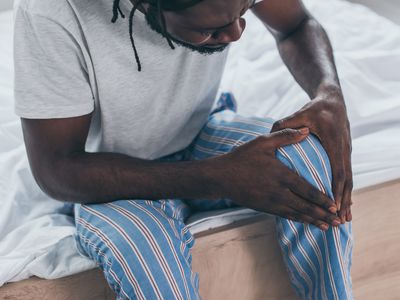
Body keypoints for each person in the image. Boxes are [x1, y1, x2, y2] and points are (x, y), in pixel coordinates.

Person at [14, 0, 353, 298]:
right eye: (211, 30)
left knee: (309, 159)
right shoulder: (50, 11)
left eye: (245, 10)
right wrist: (216, 178)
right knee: (143, 251)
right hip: (108, 174)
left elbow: (295, 24)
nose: (236, 34)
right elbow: (56, 169)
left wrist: (328, 91)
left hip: (201, 130)